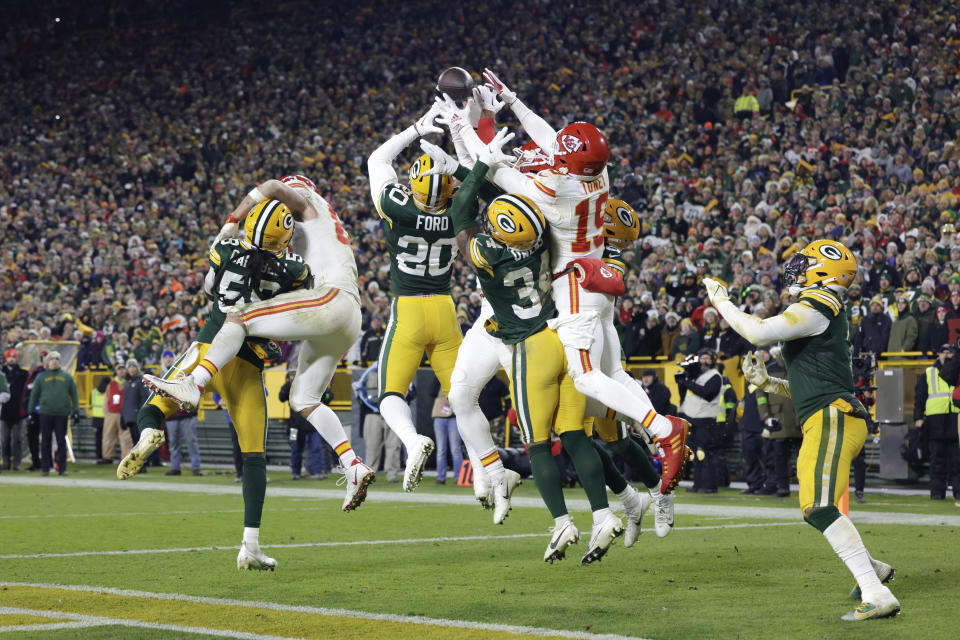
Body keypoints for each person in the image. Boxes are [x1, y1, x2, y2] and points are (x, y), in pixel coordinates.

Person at [462, 74, 690, 493]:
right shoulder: (598, 176)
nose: (553, 155)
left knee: (585, 377)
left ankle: (661, 427)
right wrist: (514, 101)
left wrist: (467, 128)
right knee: (613, 372)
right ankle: (652, 430)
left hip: (574, 286)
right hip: (598, 279)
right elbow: (553, 142)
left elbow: (496, 169)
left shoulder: (552, 188)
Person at [445, 144, 632, 565]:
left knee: (536, 444)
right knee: (575, 434)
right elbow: (533, 207)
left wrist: (479, 163)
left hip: (527, 346)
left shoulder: (488, 254)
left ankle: (563, 521)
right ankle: (604, 514)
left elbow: (463, 216)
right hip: (563, 332)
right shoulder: (546, 238)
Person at [144, 177, 374, 509]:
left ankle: (195, 382)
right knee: (304, 398)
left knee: (238, 316)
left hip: (329, 299)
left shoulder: (308, 208)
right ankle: (351, 464)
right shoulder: (327, 227)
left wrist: (232, 220)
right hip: (349, 314)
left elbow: (272, 187)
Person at [704, 238, 899, 620]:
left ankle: (877, 592)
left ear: (825, 272)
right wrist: (770, 384)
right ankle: (872, 571)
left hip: (833, 416)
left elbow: (758, 333)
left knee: (818, 506)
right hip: (831, 413)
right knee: (815, 508)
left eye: (806, 263)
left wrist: (721, 302)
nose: (797, 269)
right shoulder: (825, 311)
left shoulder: (820, 303)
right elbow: (814, 386)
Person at [365, 102, 463, 493]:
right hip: (445, 308)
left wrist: (416, 131)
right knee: (462, 398)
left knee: (389, 393)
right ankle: (489, 470)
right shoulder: (459, 208)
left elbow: (377, 159)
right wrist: (458, 146)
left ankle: (412, 440)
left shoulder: (396, 206)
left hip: (408, 309)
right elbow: (479, 179)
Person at [912, 344, 960, 501]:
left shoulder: (957, 371)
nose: (946, 355)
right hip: (935, 423)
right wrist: (918, 418)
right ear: (938, 355)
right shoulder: (929, 372)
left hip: (954, 421)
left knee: (957, 461)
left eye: (949, 353)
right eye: (943, 352)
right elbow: (919, 397)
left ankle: (958, 492)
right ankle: (937, 493)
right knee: (937, 461)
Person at [677, 348, 723, 493]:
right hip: (693, 419)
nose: (703, 361)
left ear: (712, 361)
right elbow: (685, 395)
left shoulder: (715, 376)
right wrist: (682, 382)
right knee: (695, 454)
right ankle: (698, 484)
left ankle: (709, 485)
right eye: (702, 358)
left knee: (705, 453)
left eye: (707, 358)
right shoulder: (696, 376)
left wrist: (687, 382)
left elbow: (708, 394)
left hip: (705, 420)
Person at [27, 351, 79, 476]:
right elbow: (34, 395)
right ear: (47, 362)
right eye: (52, 359)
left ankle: (62, 468)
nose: (54, 361)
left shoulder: (67, 377)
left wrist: (75, 410)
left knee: (61, 441)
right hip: (45, 413)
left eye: (56, 359)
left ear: (59, 362)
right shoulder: (42, 377)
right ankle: (45, 468)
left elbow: (74, 394)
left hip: (61, 413)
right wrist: (30, 411)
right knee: (45, 441)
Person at [355, 363, 402, 484]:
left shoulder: (397, 372)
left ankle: (392, 474)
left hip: (392, 414)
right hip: (373, 414)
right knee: (372, 446)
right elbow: (361, 394)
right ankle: (370, 473)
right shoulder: (369, 374)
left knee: (393, 445)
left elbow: (411, 392)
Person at [159, 349, 203, 477]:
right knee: (173, 444)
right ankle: (175, 467)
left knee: (191, 441)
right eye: (165, 357)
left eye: (170, 357)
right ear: (163, 360)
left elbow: (193, 388)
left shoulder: (184, 373)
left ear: (174, 359)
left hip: (186, 413)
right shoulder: (161, 375)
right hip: (172, 416)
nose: (168, 359)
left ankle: (196, 468)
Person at [279, 369, 326, 480]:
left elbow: (325, 397)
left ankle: (318, 472)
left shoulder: (311, 386)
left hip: (311, 424)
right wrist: (287, 386)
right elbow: (281, 398)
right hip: (294, 426)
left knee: (316, 447)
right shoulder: (288, 387)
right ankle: (295, 472)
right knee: (295, 448)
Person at [121, 359, 153, 468]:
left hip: (138, 417)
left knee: (140, 442)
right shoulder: (127, 383)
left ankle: (142, 465)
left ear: (137, 367)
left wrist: (141, 414)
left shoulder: (141, 380)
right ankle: (140, 464)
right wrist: (123, 416)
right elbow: (125, 401)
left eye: (133, 366)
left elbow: (145, 399)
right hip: (130, 417)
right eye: (129, 367)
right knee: (135, 442)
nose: (131, 369)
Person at [1, 349, 29, 470]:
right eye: (9, 357)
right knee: (4, 439)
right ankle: (5, 461)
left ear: (16, 358)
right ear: (6, 358)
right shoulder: (2, 373)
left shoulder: (23, 374)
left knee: (18, 439)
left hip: (19, 411)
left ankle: (17, 463)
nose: (11, 359)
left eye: (13, 357)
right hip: (4, 411)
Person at [430, 380, 462, 485]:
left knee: (455, 449)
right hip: (439, 417)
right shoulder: (439, 379)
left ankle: (458, 477)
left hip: (454, 417)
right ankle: (440, 477)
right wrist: (438, 378)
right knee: (440, 450)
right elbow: (431, 392)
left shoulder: (458, 379)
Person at [100, 364, 131, 464]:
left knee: (126, 438)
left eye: (123, 369)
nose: (121, 371)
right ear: (116, 372)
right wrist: (107, 414)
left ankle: (126, 457)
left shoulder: (129, 383)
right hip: (112, 414)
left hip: (125, 415)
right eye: (119, 369)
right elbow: (106, 400)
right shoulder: (111, 384)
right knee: (108, 436)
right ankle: (107, 457)